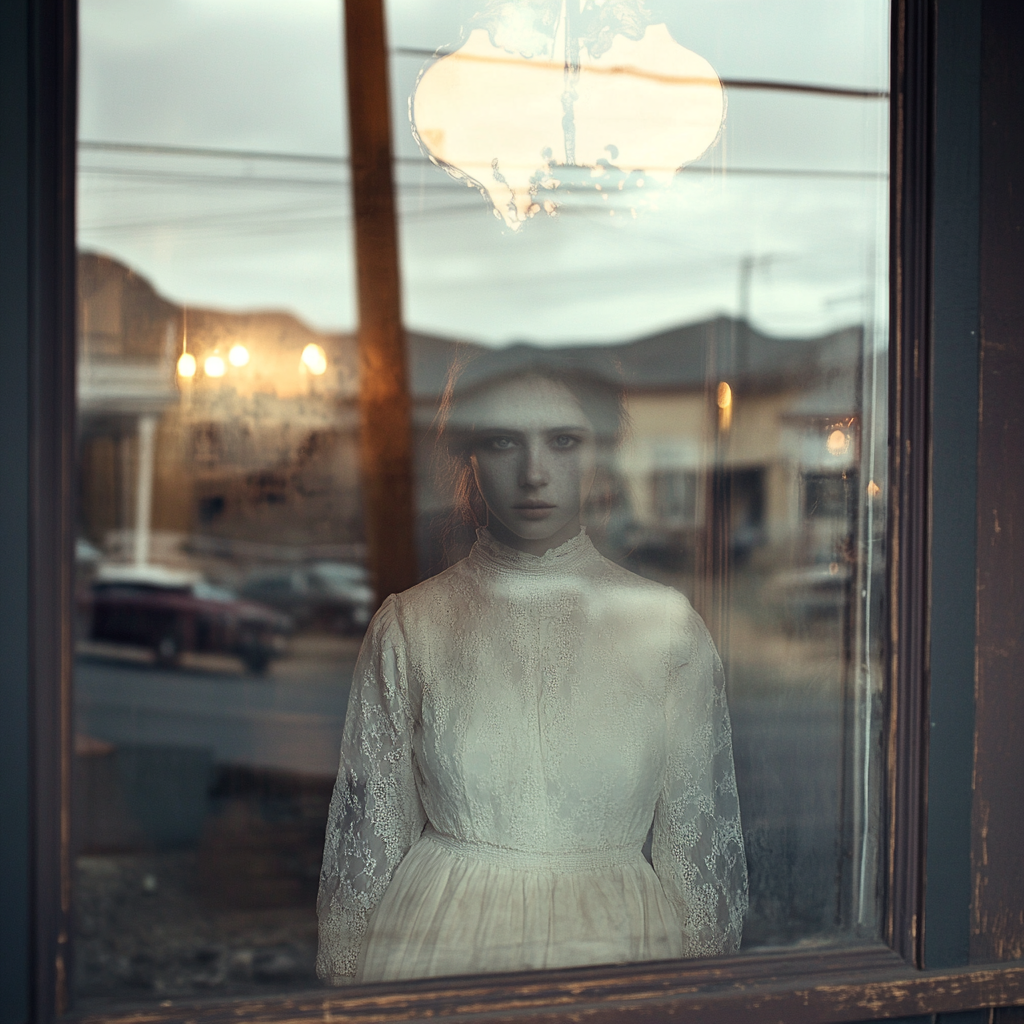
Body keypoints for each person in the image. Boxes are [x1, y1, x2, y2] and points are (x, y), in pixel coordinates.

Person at [316, 353, 748, 985]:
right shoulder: (411, 625)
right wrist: (346, 993)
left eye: (564, 441)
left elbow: (698, 849)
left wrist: (710, 995)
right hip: (440, 948)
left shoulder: (668, 628)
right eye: (501, 442)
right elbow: (368, 850)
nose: (535, 473)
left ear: (599, 453)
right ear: (468, 457)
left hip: (622, 950)